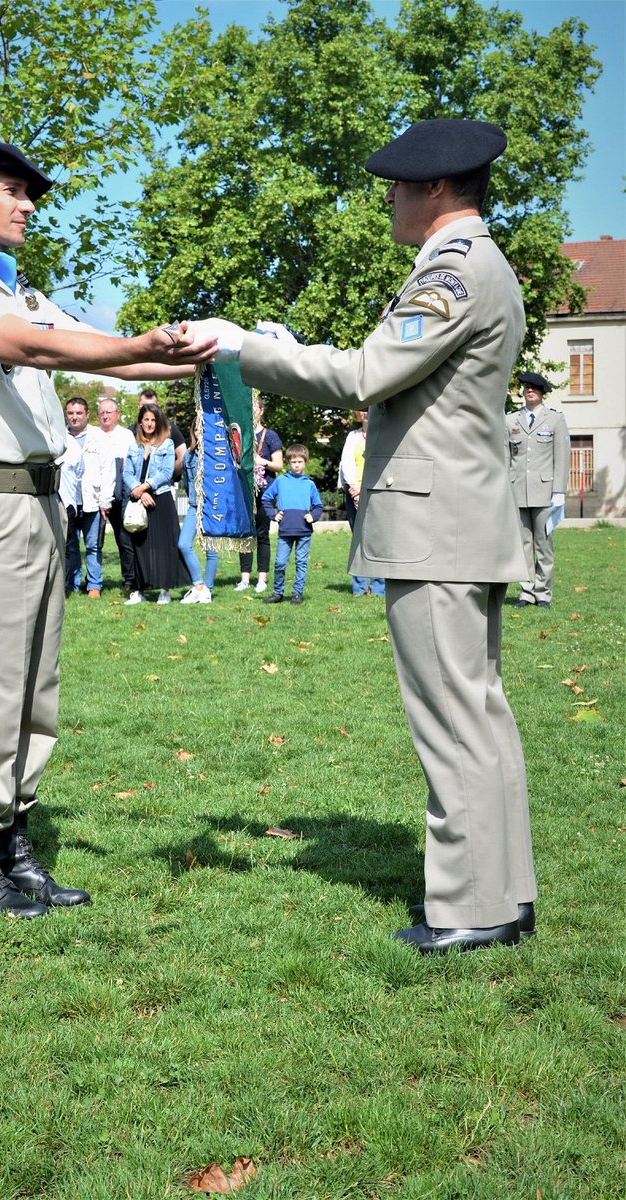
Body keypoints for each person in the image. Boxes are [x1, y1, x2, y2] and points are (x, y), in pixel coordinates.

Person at [194, 118, 537, 954]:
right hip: (459, 521)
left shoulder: (452, 271)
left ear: (434, 190)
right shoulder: (473, 265)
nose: (386, 199)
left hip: (436, 525)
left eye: (395, 185)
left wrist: (244, 351)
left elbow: (364, 374)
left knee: (451, 721)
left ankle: (467, 909)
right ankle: (503, 893)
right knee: (477, 716)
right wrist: (283, 346)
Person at [0, 130, 215, 918]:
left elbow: (107, 356)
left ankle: (16, 845)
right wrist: (131, 345)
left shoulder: (22, 292)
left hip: (40, 500)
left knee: (35, 686)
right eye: (14, 190)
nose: (29, 204)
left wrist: (199, 354)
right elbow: (26, 346)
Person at [506, 371, 570, 609]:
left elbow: (562, 458)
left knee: (544, 545)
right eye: (526, 387)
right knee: (523, 545)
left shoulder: (555, 420)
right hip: (517, 491)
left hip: (544, 493)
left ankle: (543, 594)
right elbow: (505, 458)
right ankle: (527, 592)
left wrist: (559, 491)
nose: (529, 390)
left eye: (534, 387)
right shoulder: (510, 421)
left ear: (543, 392)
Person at [123, 402, 189, 605]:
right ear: (140, 423)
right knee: (138, 546)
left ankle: (164, 590)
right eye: (146, 420)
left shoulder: (167, 444)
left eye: (153, 420)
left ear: (158, 422)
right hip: (139, 500)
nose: (150, 424)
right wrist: (140, 491)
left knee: (164, 547)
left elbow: (167, 473)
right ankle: (138, 590)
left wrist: (144, 487)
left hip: (160, 499)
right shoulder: (134, 445)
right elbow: (126, 472)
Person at [59, 397, 112, 598]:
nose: (74, 417)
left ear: (87, 414)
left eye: (79, 413)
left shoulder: (99, 437)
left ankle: (94, 586)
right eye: (71, 413)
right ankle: (73, 583)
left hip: (93, 500)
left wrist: (105, 501)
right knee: (70, 546)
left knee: (93, 545)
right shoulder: (59, 436)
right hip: (67, 501)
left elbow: (108, 470)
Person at [87, 397, 138, 595]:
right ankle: (93, 582)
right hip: (97, 491)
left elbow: (133, 464)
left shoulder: (126, 436)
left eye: (109, 412)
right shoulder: (93, 434)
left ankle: (130, 579)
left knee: (124, 539)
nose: (105, 416)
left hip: (122, 491)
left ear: (117, 414)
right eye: (102, 412)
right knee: (94, 540)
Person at [261, 444, 323, 604]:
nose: (296, 464)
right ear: (288, 462)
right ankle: (278, 592)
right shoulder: (281, 481)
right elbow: (266, 498)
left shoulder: (309, 484)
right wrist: (274, 515)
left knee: (301, 562)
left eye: (300, 462)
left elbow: (318, 506)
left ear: (305, 463)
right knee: (280, 562)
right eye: (293, 461)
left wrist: (313, 516)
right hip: (285, 530)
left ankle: (297, 593)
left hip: (304, 531)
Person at [235, 399, 284, 593]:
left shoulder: (270, 436)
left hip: (265, 492)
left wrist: (261, 461)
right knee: (245, 534)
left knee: (262, 534)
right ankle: (244, 579)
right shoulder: (241, 434)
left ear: (261, 411)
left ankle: (262, 578)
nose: (251, 411)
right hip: (245, 490)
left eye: (254, 408)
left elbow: (279, 465)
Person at [338, 411, 385, 597]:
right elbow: (346, 462)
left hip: (378, 492)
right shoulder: (353, 437)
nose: (367, 413)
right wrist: (353, 489)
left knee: (379, 540)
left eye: (370, 409)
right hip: (354, 491)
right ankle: (359, 587)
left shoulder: (383, 434)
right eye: (363, 410)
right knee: (358, 540)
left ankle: (380, 587)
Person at [178, 425, 219, 603]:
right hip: (195, 505)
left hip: (213, 507)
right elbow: (187, 482)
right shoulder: (188, 454)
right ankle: (199, 585)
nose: (199, 432)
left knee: (211, 549)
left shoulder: (217, 454)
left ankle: (206, 590)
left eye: (203, 429)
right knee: (184, 544)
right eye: (196, 429)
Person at [133, 387, 186, 481]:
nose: (148, 409)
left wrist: (166, 476)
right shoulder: (130, 432)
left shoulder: (170, 429)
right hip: (136, 487)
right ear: (138, 406)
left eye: (152, 406)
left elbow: (183, 457)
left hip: (163, 487)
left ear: (158, 406)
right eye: (144, 405)